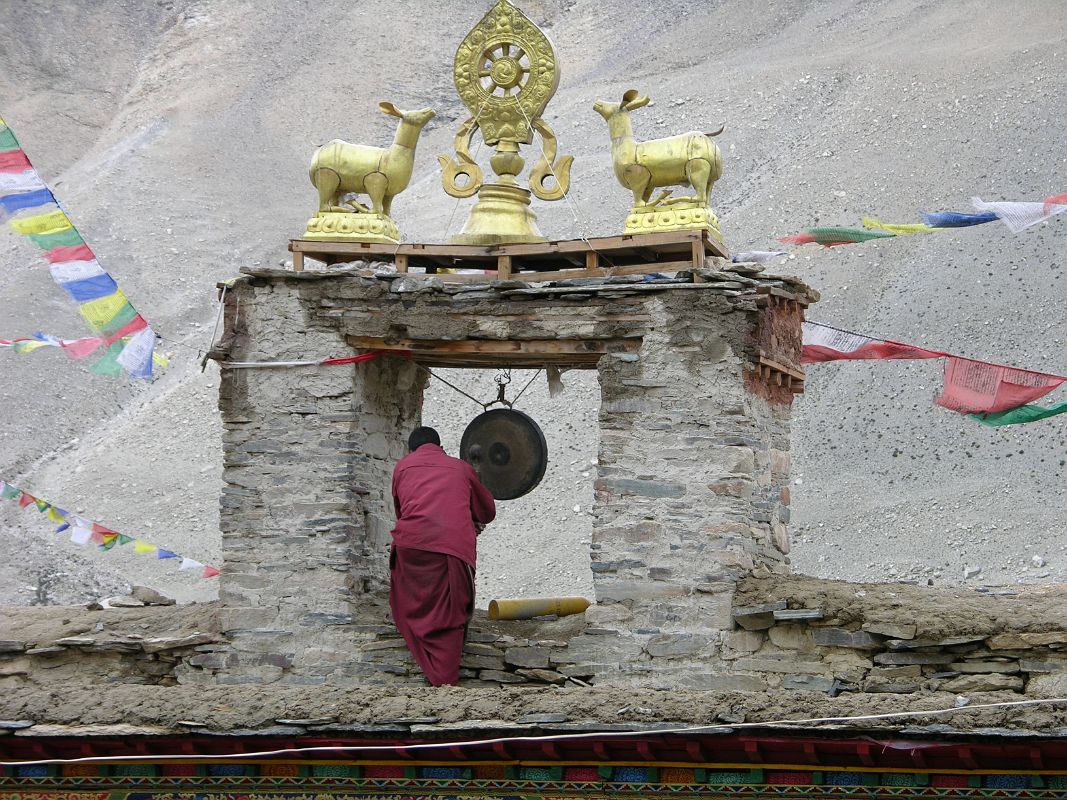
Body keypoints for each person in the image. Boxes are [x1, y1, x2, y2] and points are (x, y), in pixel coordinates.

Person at [389, 426, 496, 686]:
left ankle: (425, 660)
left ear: (411, 450)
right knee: (448, 615)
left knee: (412, 603)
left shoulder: (402, 468)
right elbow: (487, 512)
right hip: (450, 548)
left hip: (410, 547)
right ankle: (444, 681)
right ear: (441, 447)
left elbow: (401, 510)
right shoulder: (460, 468)